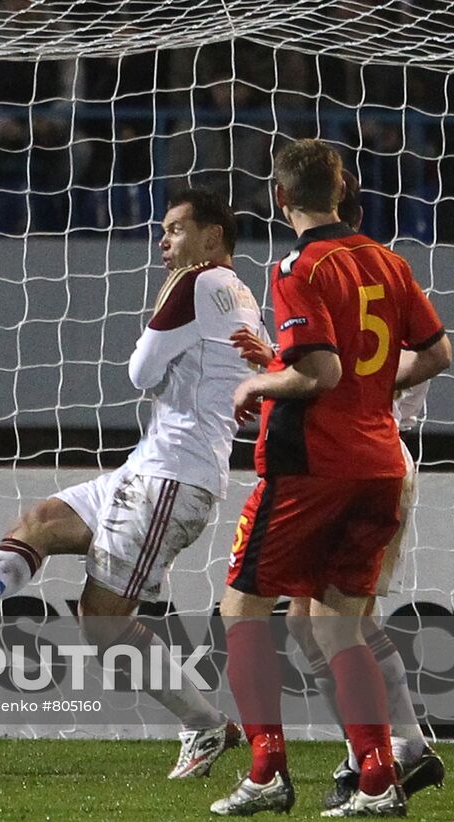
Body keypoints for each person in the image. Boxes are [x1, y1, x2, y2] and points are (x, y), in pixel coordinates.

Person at [0, 188, 263, 778]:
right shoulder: (240, 295)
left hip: (171, 478)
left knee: (102, 624)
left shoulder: (198, 280)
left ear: (213, 235)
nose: (164, 241)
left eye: (176, 229)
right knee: (40, 523)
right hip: (152, 466)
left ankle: (206, 725)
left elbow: (140, 372)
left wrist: (160, 358)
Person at [209, 139, 450, 817]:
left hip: (313, 466)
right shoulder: (388, 260)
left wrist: (259, 381)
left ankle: (266, 771)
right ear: (342, 187)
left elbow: (319, 375)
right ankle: (379, 779)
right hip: (380, 466)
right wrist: (371, 391)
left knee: (243, 609)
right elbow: (436, 353)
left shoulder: (298, 266)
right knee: (338, 628)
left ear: (279, 198)